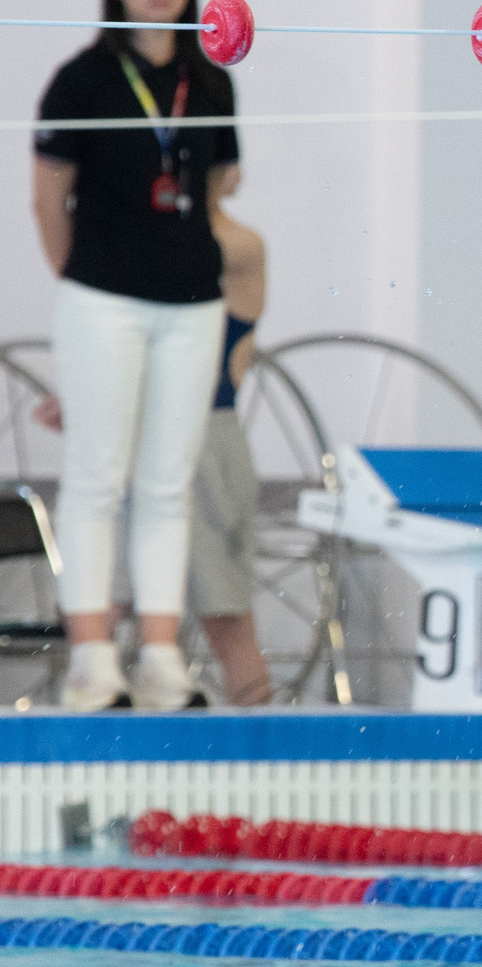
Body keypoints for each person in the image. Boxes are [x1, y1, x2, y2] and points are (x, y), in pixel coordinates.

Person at [30, 0, 237, 711]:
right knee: (96, 476)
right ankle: (92, 659)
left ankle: (159, 658)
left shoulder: (212, 80)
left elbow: (217, 190)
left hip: (191, 304)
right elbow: (47, 198)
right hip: (102, 299)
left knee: (166, 482)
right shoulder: (81, 80)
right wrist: (85, 280)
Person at [187, 169, 273, 705]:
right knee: (105, 614)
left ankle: (264, 774)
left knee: (227, 620)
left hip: (207, 439)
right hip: (150, 439)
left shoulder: (238, 245)